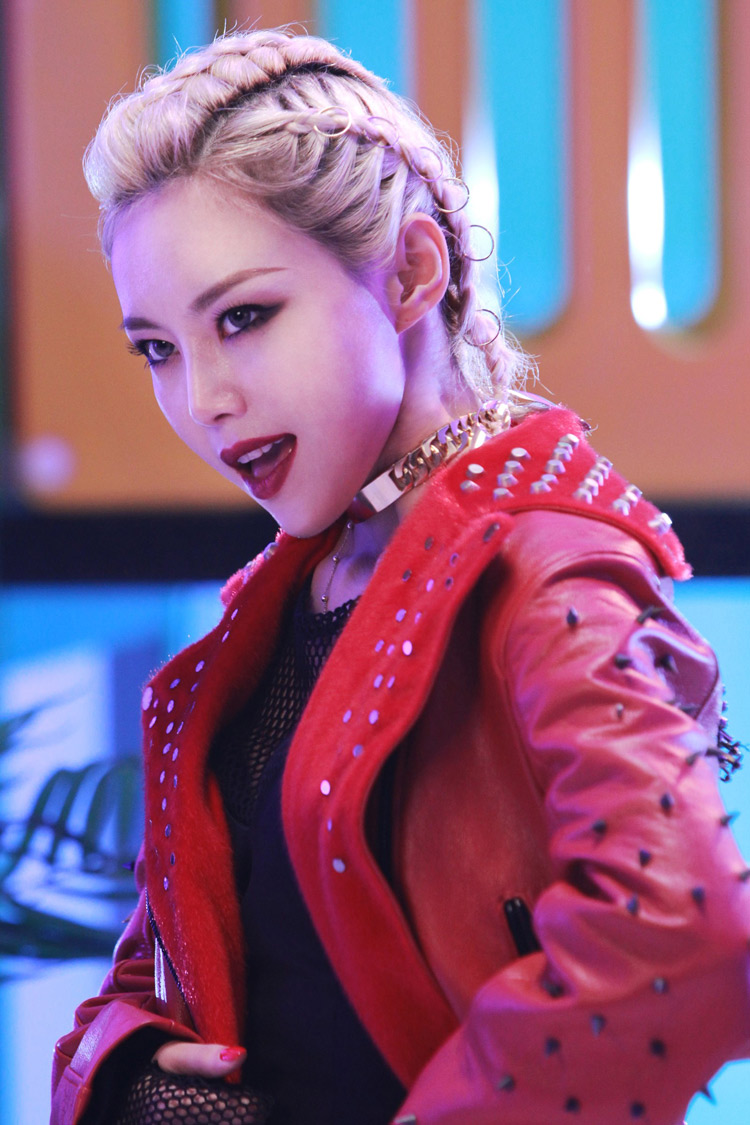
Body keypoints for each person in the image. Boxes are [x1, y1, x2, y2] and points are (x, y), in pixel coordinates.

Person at [51, 27, 749, 1125]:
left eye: (244, 318)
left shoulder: (546, 571)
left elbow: (687, 939)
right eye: (158, 349)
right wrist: (128, 1075)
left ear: (413, 272)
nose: (204, 400)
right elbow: (176, 960)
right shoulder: (288, 598)